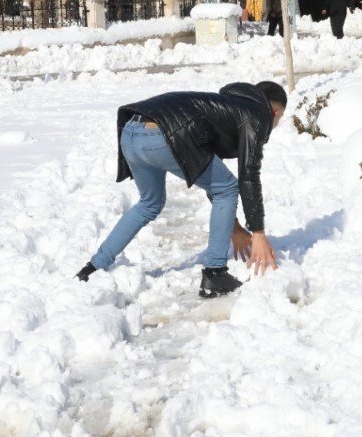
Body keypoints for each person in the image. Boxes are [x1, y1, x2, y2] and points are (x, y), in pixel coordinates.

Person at [77, 81, 287, 297]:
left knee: (150, 203)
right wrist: (258, 233)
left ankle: (92, 268)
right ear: (275, 111)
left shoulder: (226, 106)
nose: (274, 126)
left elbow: (213, 174)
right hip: (161, 136)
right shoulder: (258, 114)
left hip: (131, 130)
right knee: (228, 187)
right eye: (277, 121)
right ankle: (215, 274)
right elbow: (248, 174)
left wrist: (233, 227)